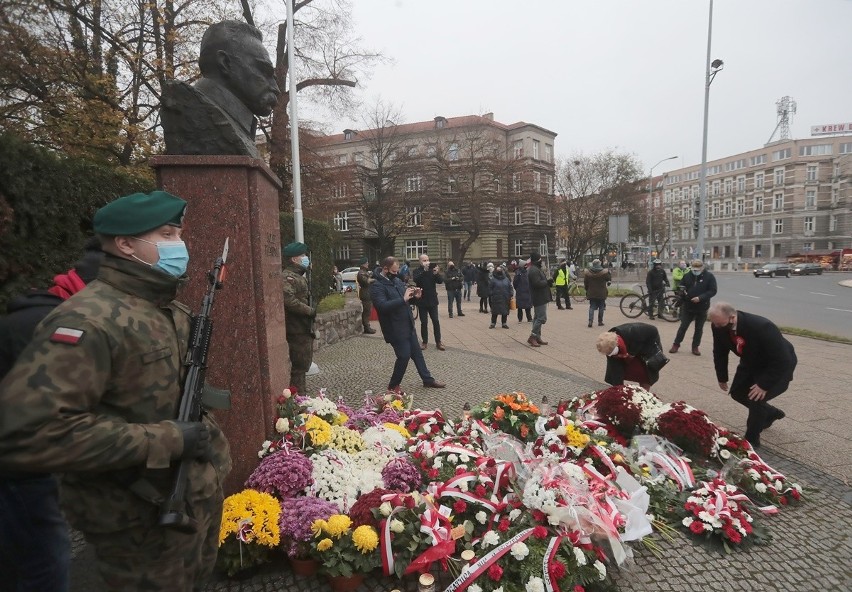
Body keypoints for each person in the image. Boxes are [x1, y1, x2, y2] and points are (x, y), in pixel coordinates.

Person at [0, 190, 231, 591]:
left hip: (191, 505)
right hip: (136, 521)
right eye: (165, 234)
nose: (179, 245)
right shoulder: (87, 320)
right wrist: (167, 439)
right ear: (125, 244)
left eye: (177, 233)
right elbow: (28, 434)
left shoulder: (168, 309)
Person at [0, 240, 103, 592]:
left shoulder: (54, 314)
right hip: (23, 469)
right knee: (46, 564)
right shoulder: (50, 325)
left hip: (29, 463)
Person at [161, 20, 280, 158]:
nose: (276, 88)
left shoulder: (240, 126)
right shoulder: (190, 112)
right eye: (264, 71)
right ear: (225, 63)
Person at [709, 302, 795, 449]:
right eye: (714, 323)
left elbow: (783, 359)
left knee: (756, 398)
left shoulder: (761, 326)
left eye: (719, 324)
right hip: (750, 362)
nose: (716, 327)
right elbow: (720, 351)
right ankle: (771, 413)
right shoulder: (718, 325)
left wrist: (763, 385)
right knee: (737, 393)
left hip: (776, 365)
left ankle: (751, 440)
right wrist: (722, 377)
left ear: (732, 318)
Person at [369, 256, 446, 392]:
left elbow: (406, 301)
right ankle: (393, 386)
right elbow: (382, 306)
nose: (396, 274)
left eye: (397, 271)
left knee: (417, 354)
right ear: (385, 269)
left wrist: (415, 297)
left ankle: (427, 380)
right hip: (394, 328)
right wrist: (403, 299)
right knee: (404, 355)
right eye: (393, 271)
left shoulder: (397, 280)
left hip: (408, 324)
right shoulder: (377, 286)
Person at [282, 242, 316, 395]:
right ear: (294, 259)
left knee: (303, 365)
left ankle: (301, 395)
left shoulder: (298, 276)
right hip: (296, 327)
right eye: (302, 256)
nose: (306, 258)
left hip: (302, 326)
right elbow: (289, 300)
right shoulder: (288, 277)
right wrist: (309, 311)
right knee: (299, 366)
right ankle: (298, 397)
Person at [596, 322, 666, 390]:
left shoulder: (633, 331)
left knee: (644, 373)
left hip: (645, 346)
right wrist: (619, 390)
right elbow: (615, 369)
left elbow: (653, 330)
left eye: (611, 353)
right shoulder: (607, 345)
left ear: (617, 344)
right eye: (608, 354)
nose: (610, 355)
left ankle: (644, 393)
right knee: (618, 372)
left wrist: (633, 353)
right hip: (629, 349)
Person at [669, 259, 718, 356]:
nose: (695, 271)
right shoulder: (687, 275)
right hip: (688, 306)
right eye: (693, 269)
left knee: (699, 328)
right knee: (683, 327)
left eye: (697, 269)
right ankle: (676, 344)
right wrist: (681, 292)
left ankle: (695, 346)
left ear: (702, 268)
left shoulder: (709, 277)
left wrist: (700, 298)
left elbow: (713, 290)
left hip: (702, 306)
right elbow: (682, 285)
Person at [412, 254, 445, 350]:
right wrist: (424, 271)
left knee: (436, 321)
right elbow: (416, 279)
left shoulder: (432, 270)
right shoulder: (417, 271)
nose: (426, 262)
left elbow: (440, 281)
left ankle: (438, 342)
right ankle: (424, 342)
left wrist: (436, 273)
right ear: (420, 261)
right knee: (424, 322)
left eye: (427, 260)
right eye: (424, 260)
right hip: (422, 300)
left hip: (432, 300)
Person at [527, 252, 550, 347]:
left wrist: (548, 282)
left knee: (537, 318)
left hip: (541, 296)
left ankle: (537, 337)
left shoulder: (536, 269)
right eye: (540, 259)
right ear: (537, 260)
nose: (541, 260)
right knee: (541, 318)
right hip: (539, 297)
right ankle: (532, 337)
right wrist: (546, 282)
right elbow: (536, 283)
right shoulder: (533, 270)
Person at [584, 258, 611, 328]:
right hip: (601, 293)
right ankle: (600, 321)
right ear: (599, 264)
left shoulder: (588, 273)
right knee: (601, 307)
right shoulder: (604, 272)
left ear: (593, 264)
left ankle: (590, 321)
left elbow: (586, 283)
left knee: (592, 307)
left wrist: (587, 289)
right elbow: (609, 279)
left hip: (591, 292)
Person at [488, 264, 514, 329]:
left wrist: (511, 293)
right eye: (498, 270)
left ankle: (504, 323)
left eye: (500, 270)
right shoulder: (493, 279)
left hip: (505, 297)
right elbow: (490, 288)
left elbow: (510, 287)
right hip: (496, 298)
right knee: (495, 311)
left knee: (504, 311)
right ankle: (493, 323)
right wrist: (492, 294)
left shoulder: (506, 279)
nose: (499, 271)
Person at [355, 257, 376, 334]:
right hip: (365, 293)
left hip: (368, 293)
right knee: (367, 311)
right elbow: (366, 281)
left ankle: (367, 326)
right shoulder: (361, 273)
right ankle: (366, 327)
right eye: (366, 263)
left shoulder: (364, 272)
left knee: (368, 311)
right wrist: (373, 280)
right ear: (363, 264)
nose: (368, 264)